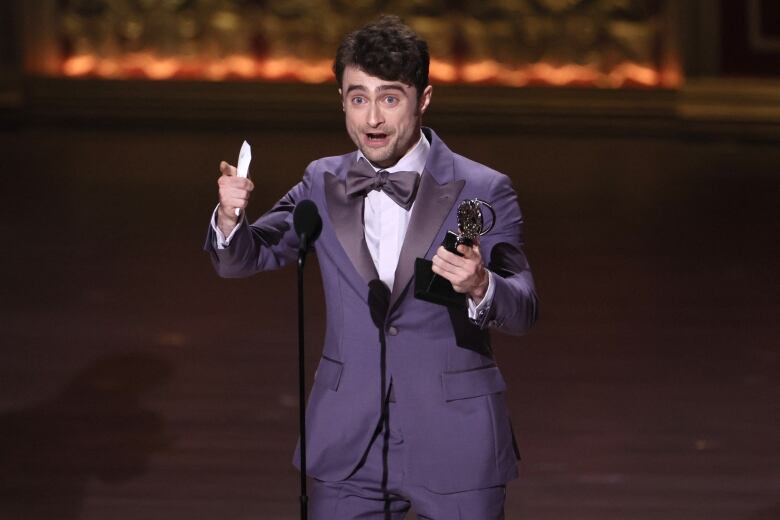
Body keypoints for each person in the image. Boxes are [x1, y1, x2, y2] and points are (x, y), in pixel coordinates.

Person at [204, 15, 538, 519]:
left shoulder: (482, 189)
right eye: (358, 98)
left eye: (389, 98)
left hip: (455, 439)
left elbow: (523, 307)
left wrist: (481, 286)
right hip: (349, 444)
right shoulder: (323, 181)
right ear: (341, 100)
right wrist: (231, 217)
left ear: (423, 99)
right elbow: (244, 258)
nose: (372, 119)